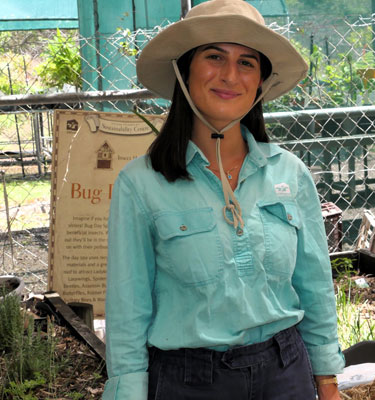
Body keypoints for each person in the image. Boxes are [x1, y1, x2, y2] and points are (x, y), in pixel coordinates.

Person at [103, 1, 344, 399]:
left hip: (286, 373)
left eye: (247, 62)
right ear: (184, 70)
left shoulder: (290, 174)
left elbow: (315, 285)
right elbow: (128, 309)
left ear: (261, 81)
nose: (231, 75)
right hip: (187, 381)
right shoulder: (140, 184)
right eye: (214, 57)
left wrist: (328, 380)